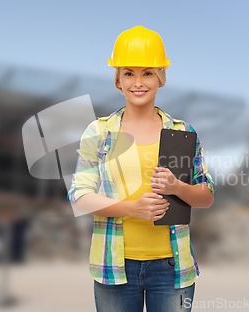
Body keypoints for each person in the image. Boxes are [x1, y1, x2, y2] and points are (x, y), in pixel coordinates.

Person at [68, 25, 215, 312]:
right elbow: (79, 196)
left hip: (172, 269)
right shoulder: (98, 132)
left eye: (147, 73)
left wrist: (177, 188)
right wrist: (132, 208)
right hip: (114, 265)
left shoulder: (182, 132)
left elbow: (206, 195)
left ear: (160, 78)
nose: (138, 82)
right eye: (129, 73)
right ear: (118, 81)